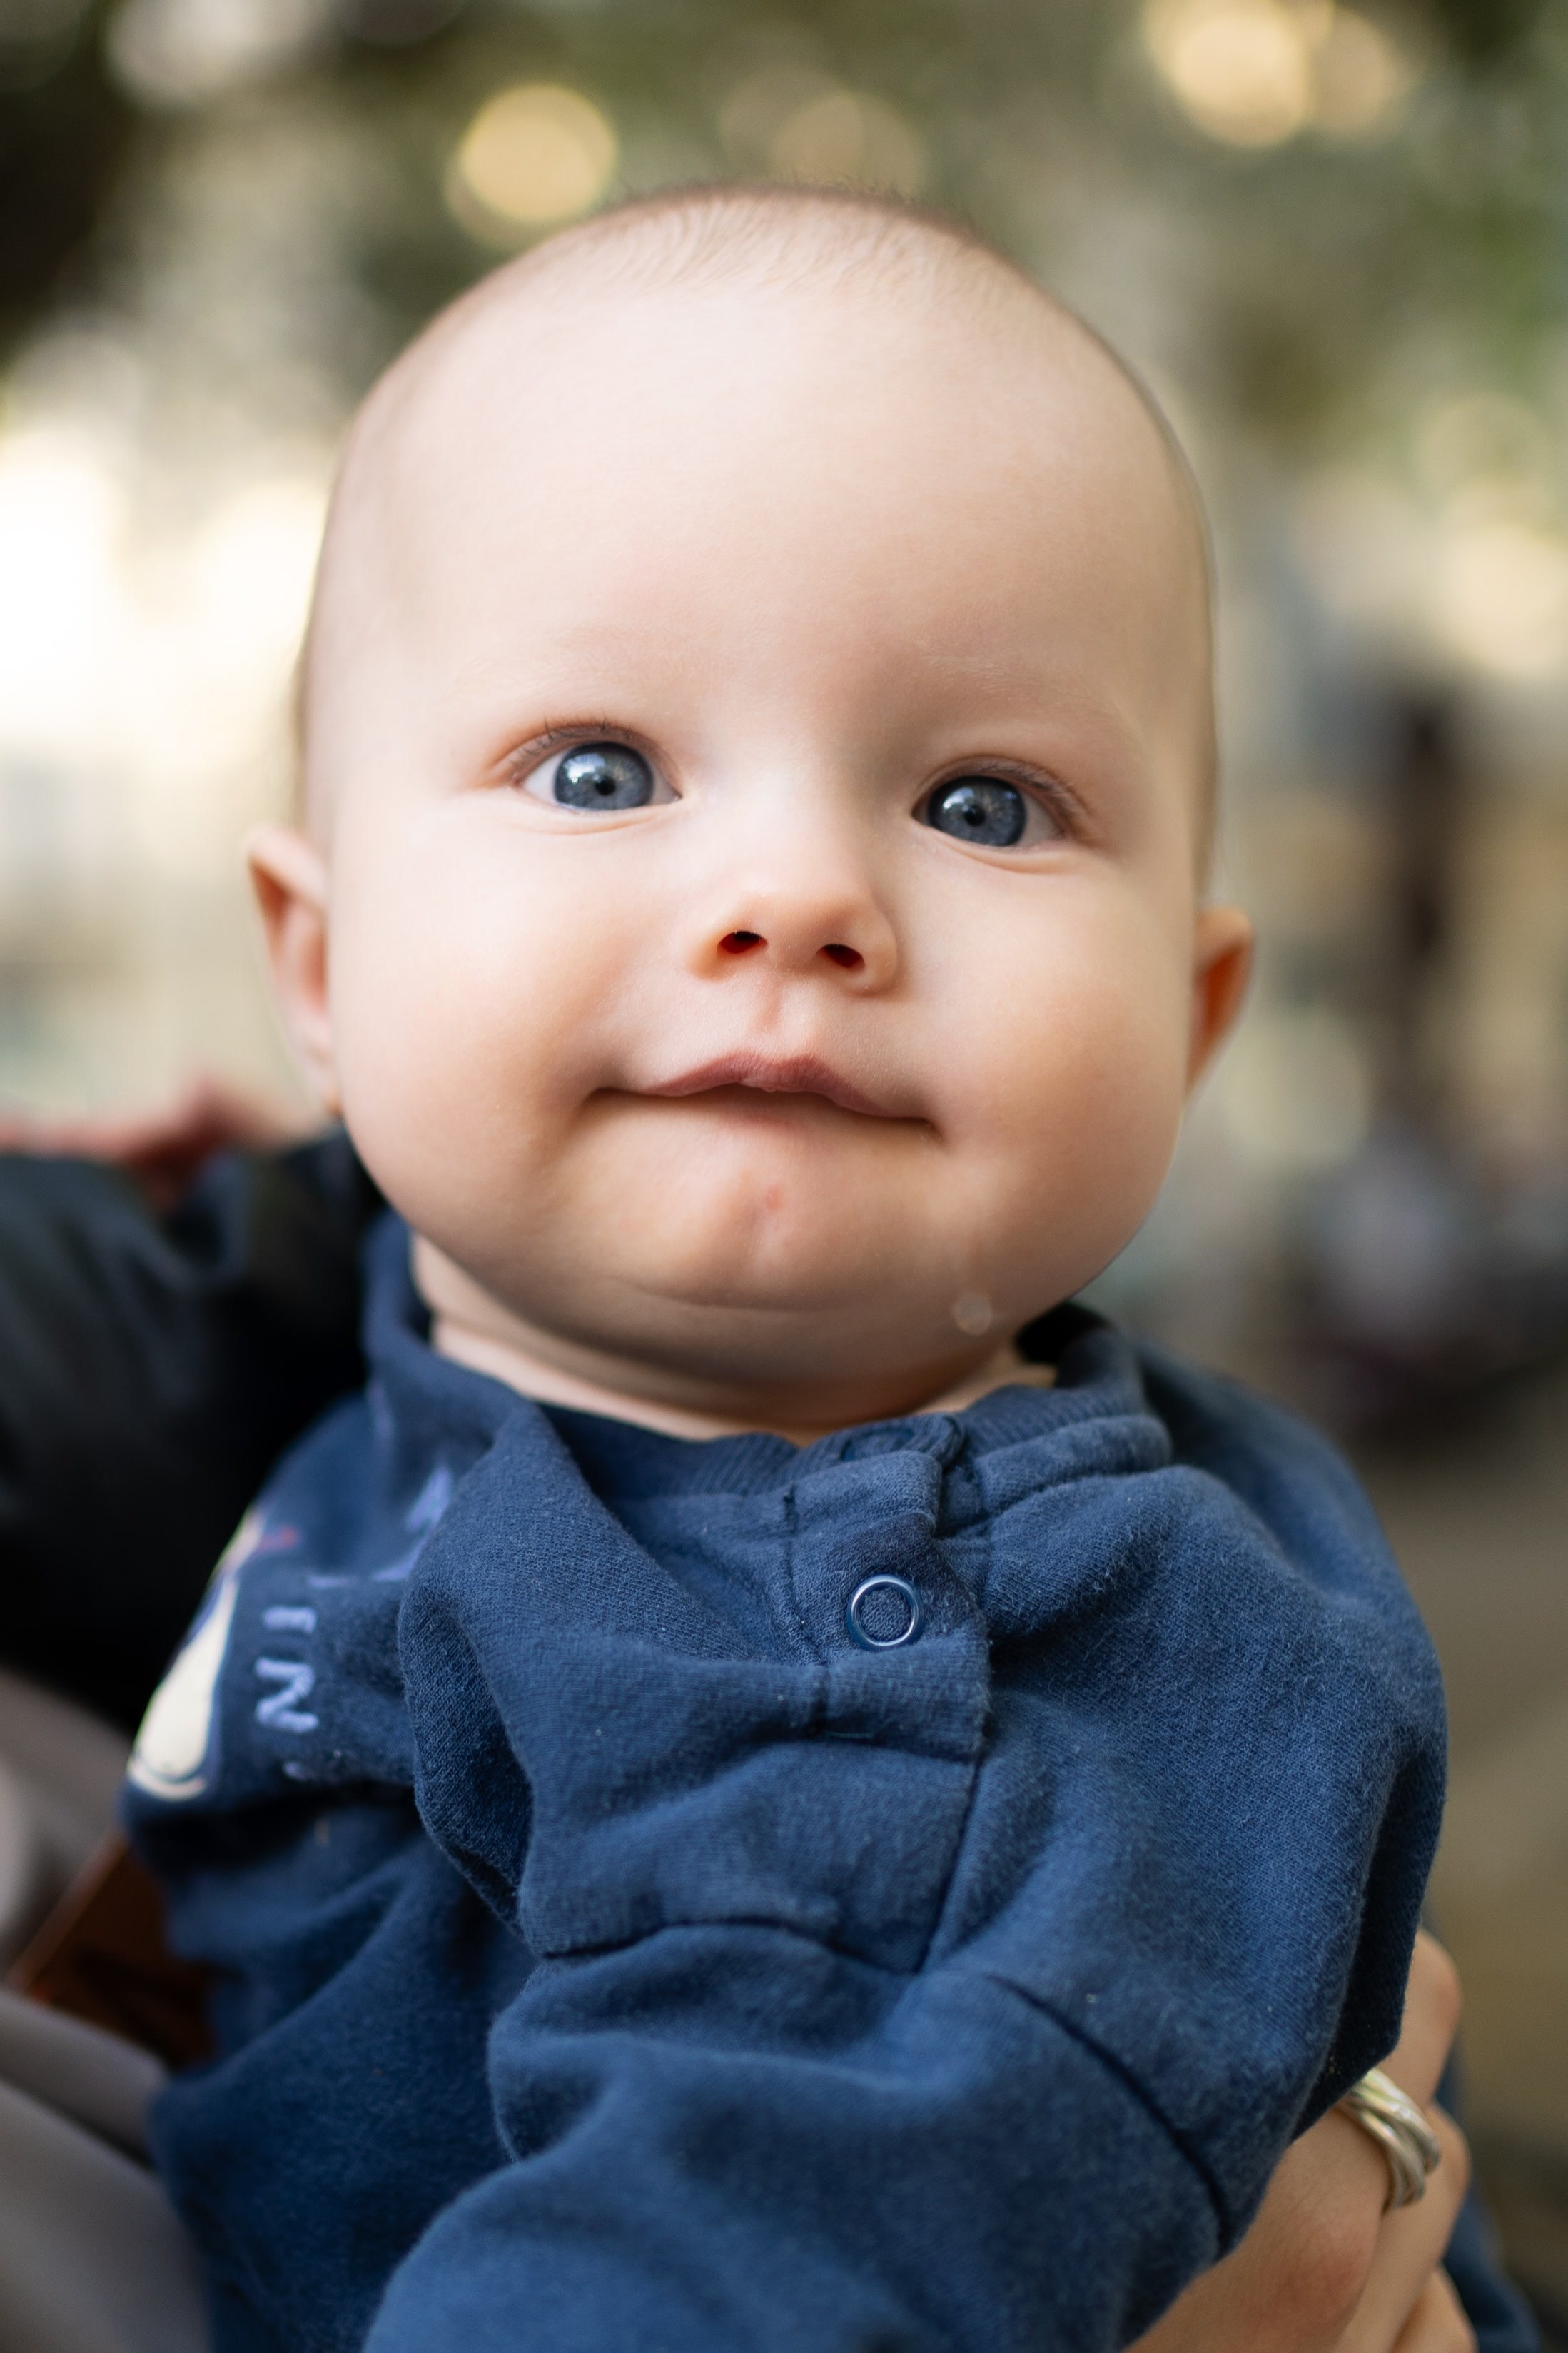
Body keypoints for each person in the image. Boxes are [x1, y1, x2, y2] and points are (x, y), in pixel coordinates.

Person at [90, 185, 1529, 2350]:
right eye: (599, 770)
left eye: (983, 804)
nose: (796, 892)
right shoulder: (389, 1330)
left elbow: (740, 2269)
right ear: (320, 962)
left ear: (1189, 1021)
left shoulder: (993, 1652)